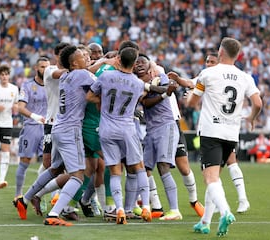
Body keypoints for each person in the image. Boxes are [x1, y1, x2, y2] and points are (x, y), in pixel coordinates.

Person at [186, 37, 262, 236]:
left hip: (212, 131)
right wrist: (252, 118)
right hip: (231, 133)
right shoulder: (245, 77)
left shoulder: (208, 73)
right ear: (237, 55)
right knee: (215, 179)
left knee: (210, 179)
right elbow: (258, 103)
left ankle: (225, 211)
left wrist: (191, 98)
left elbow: (192, 103)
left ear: (220, 52)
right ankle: (205, 222)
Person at [14, 45, 95, 226]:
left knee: (55, 169)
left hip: (58, 127)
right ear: (74, 62)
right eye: (83, 56)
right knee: (78, 176)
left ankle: (25, 199)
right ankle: (54, 213)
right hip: (71, 130)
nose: (86, 58)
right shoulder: (81, 74)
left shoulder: (65, 75)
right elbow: (102, 84)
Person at [169, 52, 250, 213]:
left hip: (220, 128)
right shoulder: (206, 75)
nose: (208, 64)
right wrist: (178, 80)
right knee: (212, 172)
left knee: (226, 165)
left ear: (220, 60)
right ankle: (214, 208)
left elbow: (193, 98)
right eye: (207, 61)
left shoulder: (213, 76)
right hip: (222, 128)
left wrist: (193, 96)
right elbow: (190, 83)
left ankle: (241, 200)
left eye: (212, 61)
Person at [86, 47, 152, 224]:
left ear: (119, 59)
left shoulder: (106, 77)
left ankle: (120, 210)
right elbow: (137, 99)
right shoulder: (138, 83)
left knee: (115, 171)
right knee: (139, 168)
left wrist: (104, 100)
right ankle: (146, 206)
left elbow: (90, 96)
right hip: (127, 129)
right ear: (134, 63)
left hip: (107, 129)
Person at [134, 53, 204, 220]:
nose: (140, 65)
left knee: (174, 165)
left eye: (143, 62)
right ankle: (152, 205)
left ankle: (185, 204)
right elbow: (144, 100)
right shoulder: (136, 82)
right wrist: (151, 87)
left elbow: (170, 88)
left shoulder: (160, 74)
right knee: (145, 168)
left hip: (169, 124)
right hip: (151, 128)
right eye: (137, 63)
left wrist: (153, 86)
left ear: (150, 66)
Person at [15, 57, 49, 199]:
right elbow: (20, 108)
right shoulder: (28, 86)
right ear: (36, 68)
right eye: (42, 67)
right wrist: (34, 116)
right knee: (25, 162)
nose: (45, 70)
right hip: (31, 127)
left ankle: (41, 196)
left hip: (48, 128)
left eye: (47, 67)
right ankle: (18, 195)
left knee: (50, 164)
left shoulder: (52, 85)